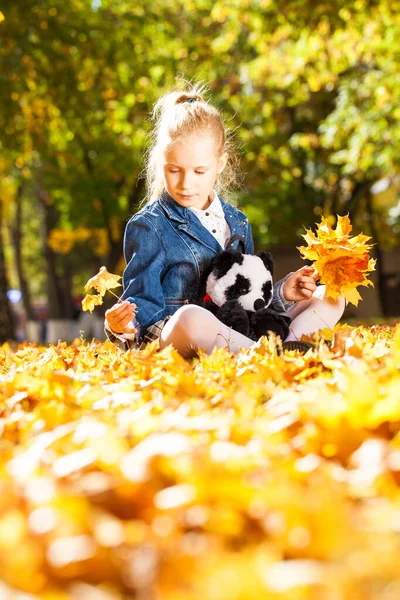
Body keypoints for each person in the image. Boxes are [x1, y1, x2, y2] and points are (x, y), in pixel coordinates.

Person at [105, 85, 345, 358]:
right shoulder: (150, 225)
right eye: (174, 170)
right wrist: (122, 325)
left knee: (332, 297)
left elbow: (251, 299)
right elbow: (141, 305)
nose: (186, 183)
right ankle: (268, 355)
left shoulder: (237, 222)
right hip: (183, 336)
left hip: (238, 332)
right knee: (189, 317)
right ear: (162, 163)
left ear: (220, 164)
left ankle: (287, 347)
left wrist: (283, 294)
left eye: (199, 171)